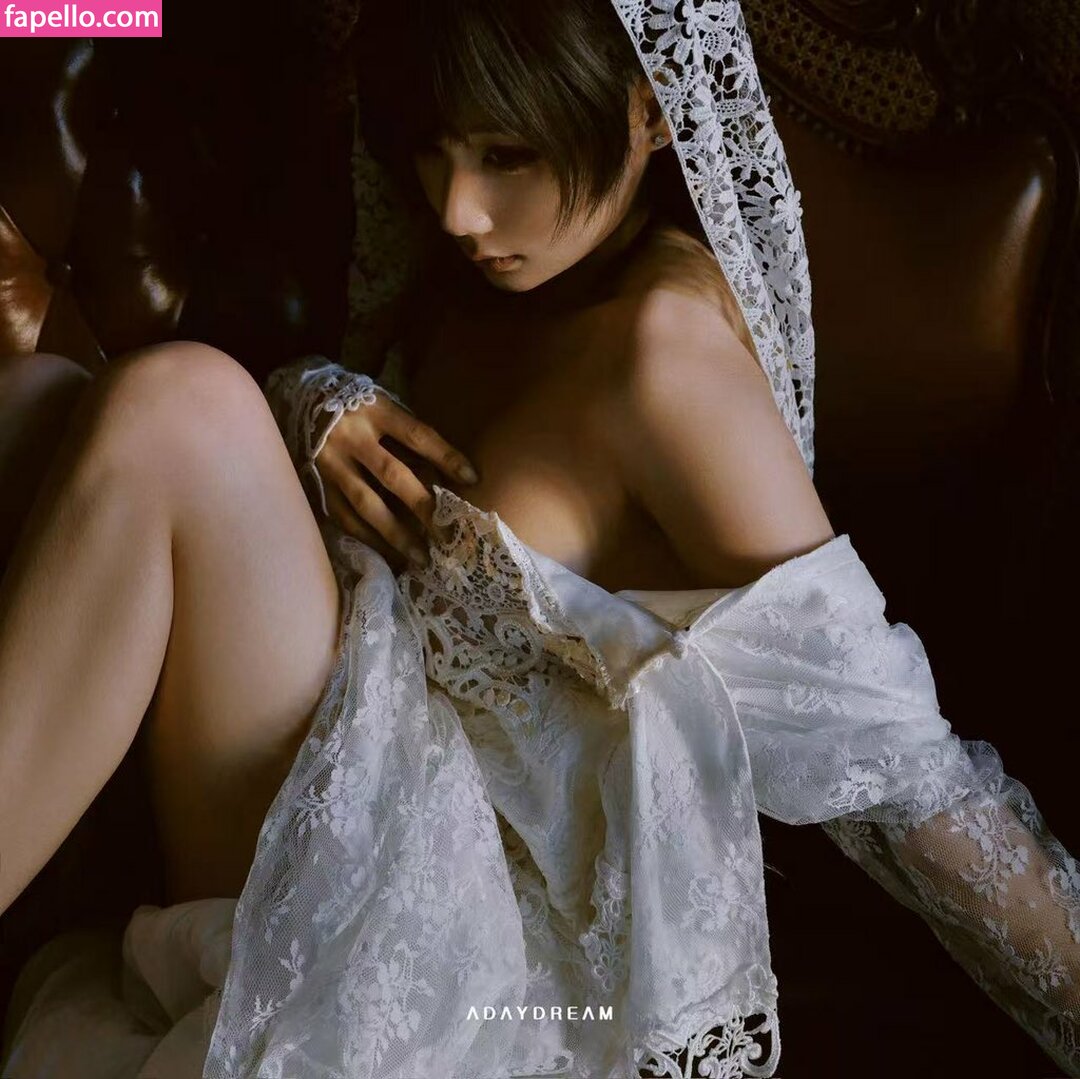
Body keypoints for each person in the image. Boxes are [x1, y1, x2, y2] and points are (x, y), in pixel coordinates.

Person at [0, 0, 1078, 1075]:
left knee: (175, 407)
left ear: (651, 112)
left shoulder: (668, 364)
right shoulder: (469, 278)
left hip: (448, 924)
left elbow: (907, 777)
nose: (459, 208)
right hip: (335, 761)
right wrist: (316, 405)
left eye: (507, 154)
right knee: (43, 402)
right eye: (436, 146)